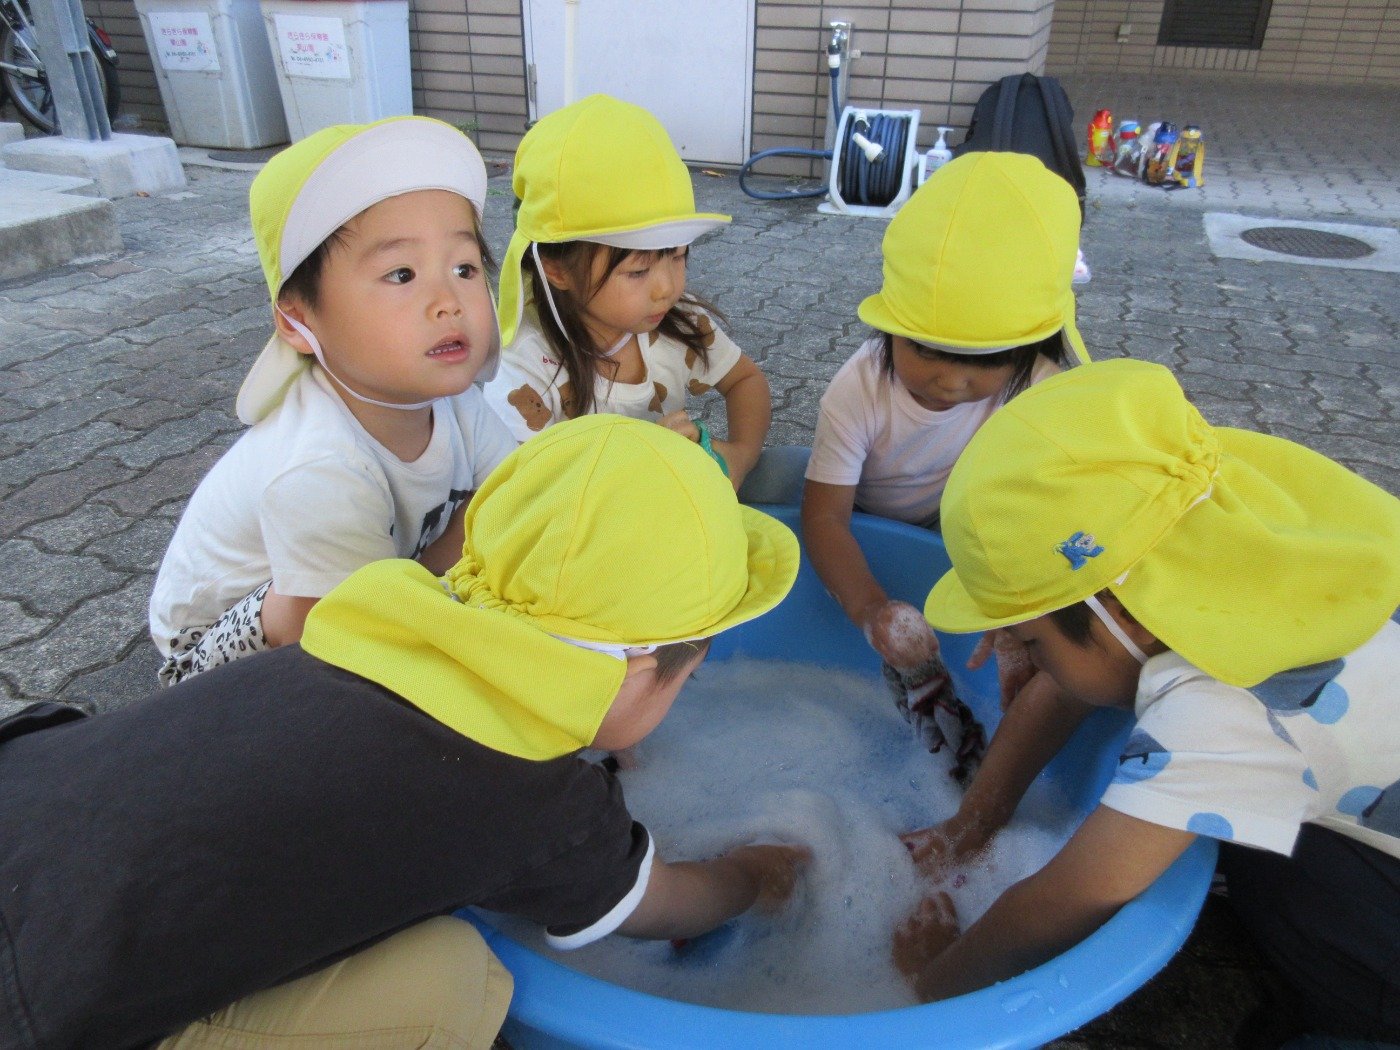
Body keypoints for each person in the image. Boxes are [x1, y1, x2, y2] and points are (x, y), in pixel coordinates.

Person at [0, 415, 807, 1049]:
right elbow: (670, 906)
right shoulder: (535, 802)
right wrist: (759, 874)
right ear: (639, 669)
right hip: (43, 1015)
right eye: (685, 678)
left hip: (28, 808)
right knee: (454, 982)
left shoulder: (371, 629)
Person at [896, 359, 1400, 1049]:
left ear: (1121, 614)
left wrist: (926, 988)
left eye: (1031, 642)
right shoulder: (1222, 534)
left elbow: (1065, 901)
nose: (1026, 659)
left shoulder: (1219, 718)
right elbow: (1066, 685)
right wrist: (971, 824)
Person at [147, 116, 515, 685]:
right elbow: (354, 632)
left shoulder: (456, 403)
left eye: (464, 268)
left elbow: (518, 495)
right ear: (298, 321)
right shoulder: (317, 466)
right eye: (401, 274)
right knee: (333, 623)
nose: (449, 300)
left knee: (499, 506)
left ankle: (406, 597)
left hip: (375, 575)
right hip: (218, 657)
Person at [801, 152, 1088, 770]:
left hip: (966, 519)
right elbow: (824, 518)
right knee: (782, 483)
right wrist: (871, 610)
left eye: (986, 361)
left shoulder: (1041, 387)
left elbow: (1047, 512)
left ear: (1031, 349)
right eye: (929, 350)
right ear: (890, 330)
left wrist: (1018, 613)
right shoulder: (857, 390)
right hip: (868, 507)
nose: (952, 381)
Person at [483, 94, 771, 492]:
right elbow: (525, 495)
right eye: (637, 271)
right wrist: (642, 463)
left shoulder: (680, 323)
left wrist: (739, 456)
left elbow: (745, 381)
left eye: (678, 256)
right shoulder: (527, 368)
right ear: (557, 269)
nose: (667, 288)